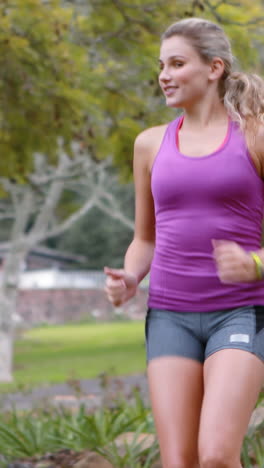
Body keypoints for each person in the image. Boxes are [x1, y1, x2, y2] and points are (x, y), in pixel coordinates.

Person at [104, 17, 264, 468]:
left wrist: (255, 263)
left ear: (214, 68)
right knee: (180, 462)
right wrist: (130, 276)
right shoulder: (150, 145)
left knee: (215, 454)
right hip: (170, 315)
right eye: (161, 65)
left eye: (177, 63)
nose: (164, 76)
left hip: (240, 310)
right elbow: (144, 238)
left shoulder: (254, 135)